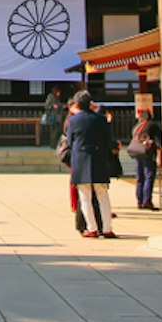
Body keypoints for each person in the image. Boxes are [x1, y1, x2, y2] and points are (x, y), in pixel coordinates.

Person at [66, 91, 117, 238]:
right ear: (90, 103)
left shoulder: (74, 121)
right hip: (98, 158)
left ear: (77, 104)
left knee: (85, 196)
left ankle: (92, 228)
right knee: (103, 195)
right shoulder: (101, 119)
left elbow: (70, 141)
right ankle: (107, 228)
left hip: (81, 160)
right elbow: (108, 140)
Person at [129, 110, 162, 210]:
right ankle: (147, 200)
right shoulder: (152, 125)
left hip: (137, 153)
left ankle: (139, 201)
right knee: (149, 176)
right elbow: (160, 138)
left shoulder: (136, 127)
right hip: (147, 153)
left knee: (140, 178)